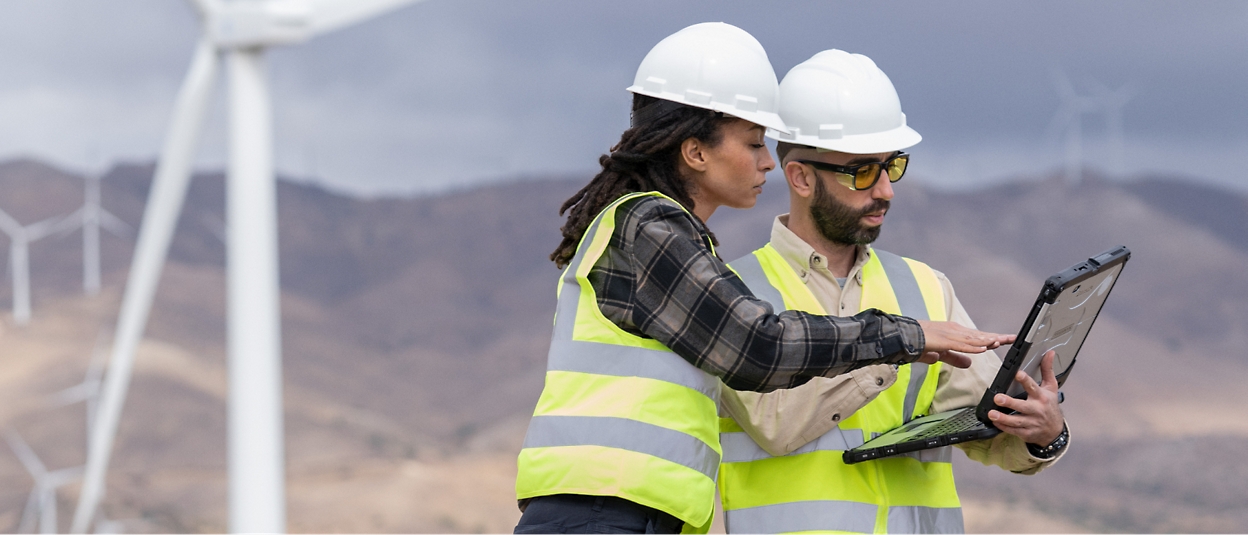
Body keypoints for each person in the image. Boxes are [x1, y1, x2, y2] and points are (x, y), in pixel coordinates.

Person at [513, 26, 1015, 535]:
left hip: (624, 514)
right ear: (696, 151)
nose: (765, 162)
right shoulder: (649, 227)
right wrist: (906, 336)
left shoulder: (666, 237)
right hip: (601, 513)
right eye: (754, 143)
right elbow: (758, 346)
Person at [715, 49, 1069, 534]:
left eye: (892, 166)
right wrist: (900, 346)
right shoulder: (732, 293)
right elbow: (777, 424)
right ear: (800, 177)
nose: (885, 190)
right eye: (863, 171)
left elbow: (987, 430)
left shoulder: (925, 287)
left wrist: (1040, 431)